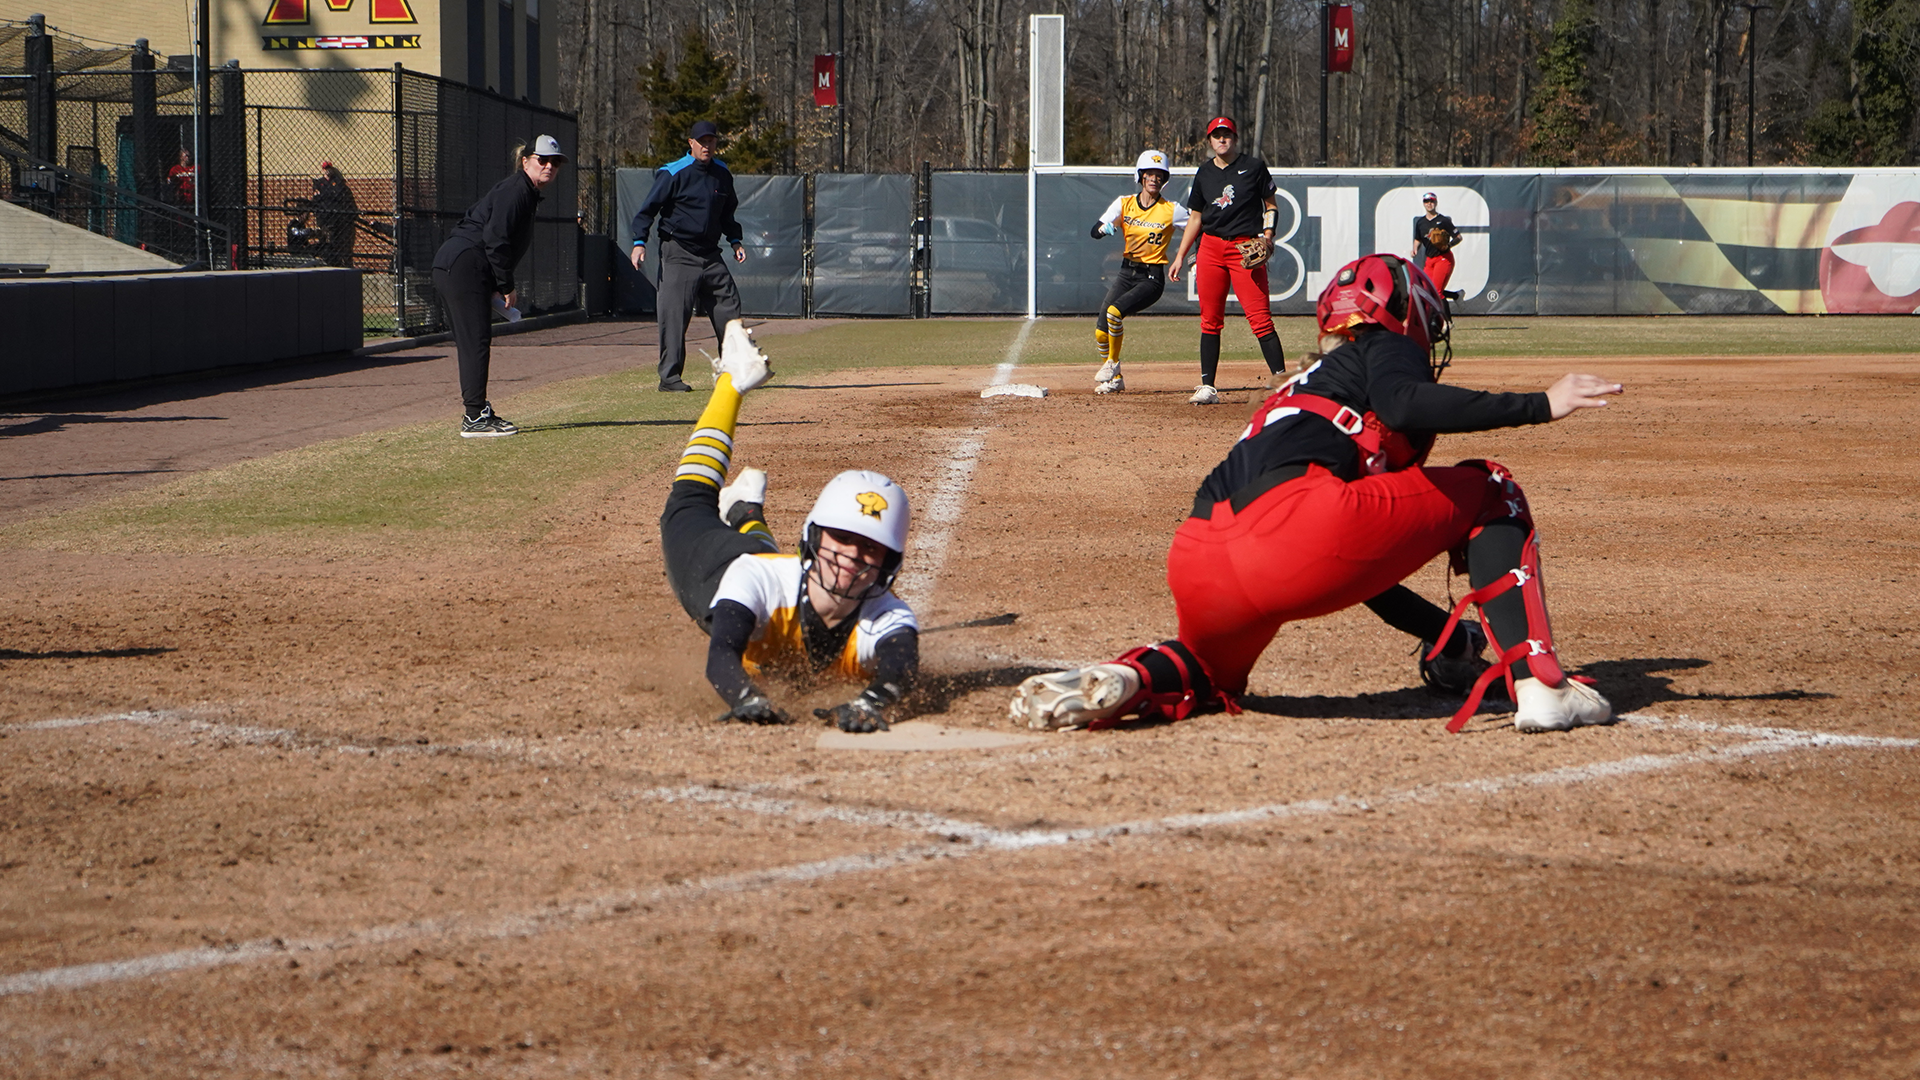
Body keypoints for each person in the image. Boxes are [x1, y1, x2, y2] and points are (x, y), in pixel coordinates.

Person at [1010, 253, 1622, 735]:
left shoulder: (1305, 388)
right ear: (1403, 313)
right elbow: (1403, 402)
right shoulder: (1380, 349)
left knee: (1207, 673)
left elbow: (1367, 575)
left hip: (1200, 553)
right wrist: (1541, 404)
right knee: (1492, 487)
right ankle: (1543, 685)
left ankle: (1132, 675)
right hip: (1297, 528)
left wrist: (1450, 637)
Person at [661, 320, 921, 732]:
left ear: (890, 561)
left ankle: (746, 511)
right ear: (814, 538)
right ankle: (732, 381)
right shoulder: (756, 578)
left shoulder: (888, 617)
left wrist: (871, 702)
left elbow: (901, 668)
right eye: (843, 538)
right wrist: (746, 698)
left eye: (870, 547)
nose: (853, 555)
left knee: (769, 564)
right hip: (717, 570)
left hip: (769, 569)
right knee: (688, 500)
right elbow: (722, 657)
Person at [430, 134, 566, 437]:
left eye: (555, 162)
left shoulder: (524, 192)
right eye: (542, 160)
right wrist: (505, 284)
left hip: (458, 264)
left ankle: (476, 411)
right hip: (464, 264)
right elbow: (495, 239)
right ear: (526, 161)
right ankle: (475, 417)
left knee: (473, 343)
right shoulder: (516, 190)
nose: (549, 166)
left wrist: (491, 279)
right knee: (476, 342)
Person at [1166, 116, 1287, 405]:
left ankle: (1283, 383)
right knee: (1210, 321)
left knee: (1260, 319)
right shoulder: (1204, 173)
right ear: (1209, 141)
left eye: (1227, 134)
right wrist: (1180, 256)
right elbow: (1196, 217)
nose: (1222, 140)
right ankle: (1207, 386)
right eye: (1216, 135)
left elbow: (1270, 205)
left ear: (1235, 137)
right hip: (1211, 248)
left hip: (1246, 247)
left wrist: (1268, 235)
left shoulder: (1254, 167)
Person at [629, 119, 747, 393]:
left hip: (710, 253)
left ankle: (733, 372)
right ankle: (670, 378)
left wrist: (735, 240)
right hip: (678, 252)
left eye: (711, 141)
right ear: (690, 144)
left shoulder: (722, 174)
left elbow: (727, 213)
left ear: (717, 143)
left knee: (729, 306)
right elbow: (648, 210)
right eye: (701, 141)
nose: (707, 146)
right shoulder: (673, 173)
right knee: (674, 315)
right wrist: (639, 242)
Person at [1087, 149, 1191, 394]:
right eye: (1149, 174)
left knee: (1114, 313)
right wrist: (1105, 229)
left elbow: (1198, 226)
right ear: (1140, 176)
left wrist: (1188, 257)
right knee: (1101, 331)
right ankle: (1116, 379)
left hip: (1152, 277)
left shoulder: (1171, 209)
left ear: (1164, 180)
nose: (1154, 179)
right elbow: (1095, 230)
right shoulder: (1124, 203)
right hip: (1126, 272)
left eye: (1159, 175)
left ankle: (1111, 364)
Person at [1410, 191, 1462, 298]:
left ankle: (1445, 315)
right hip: (1429, 259)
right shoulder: (1420, 222)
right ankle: (1456, 296)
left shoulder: (1443, 220)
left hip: (1443, 258)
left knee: (1437, 293)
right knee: (1426, 290)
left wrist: (1448, 245)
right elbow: (1418, 239)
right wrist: (1415, 249)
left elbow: (1458, 237)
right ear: (1423, 204)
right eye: (1426, 202)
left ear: (1436, 203)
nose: (1429, 204)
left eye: (1431, 201)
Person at [310, 161, 359, 268]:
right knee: (328, 243)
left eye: (329, 168)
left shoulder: (338, 183)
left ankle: (343, 264)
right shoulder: (319, 183)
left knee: (342, 243)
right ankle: (331, 263)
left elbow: (338, 195)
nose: (327, 170)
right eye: (325, 168)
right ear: (322, 170)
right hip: (325, 218)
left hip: (339, 220)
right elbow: (317, 198)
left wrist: (325, 195)